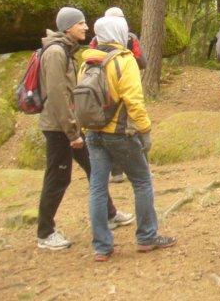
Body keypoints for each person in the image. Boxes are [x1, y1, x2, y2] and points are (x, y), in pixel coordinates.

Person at [36, 7, 133, 251]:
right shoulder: (56, 52)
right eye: (80, 23)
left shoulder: (65, 50)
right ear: (68, 27)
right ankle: (45, 232)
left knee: (94, 167)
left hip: (70, 124)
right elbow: (57, 95)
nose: (86, 27)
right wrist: (72, 132)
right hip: (59, 127)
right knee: (58, 177)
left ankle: (109, 214)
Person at [81, 15, 176, 261]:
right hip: (119, 133)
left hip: (93, 132)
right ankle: (147, 237)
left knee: (97, 188)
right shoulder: (124, 60)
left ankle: (102, 247)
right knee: (142, 181)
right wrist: (145, 131)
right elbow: (134, 101)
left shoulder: (87, 61)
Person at [88, 7, 147, 184]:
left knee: (107, 126)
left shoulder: (95, 40)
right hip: (124, 84)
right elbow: (142, 61)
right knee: (128, 128)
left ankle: (116, 172)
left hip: (99, 90)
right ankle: (139, 168)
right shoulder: (130, 38)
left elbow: (89, 61)